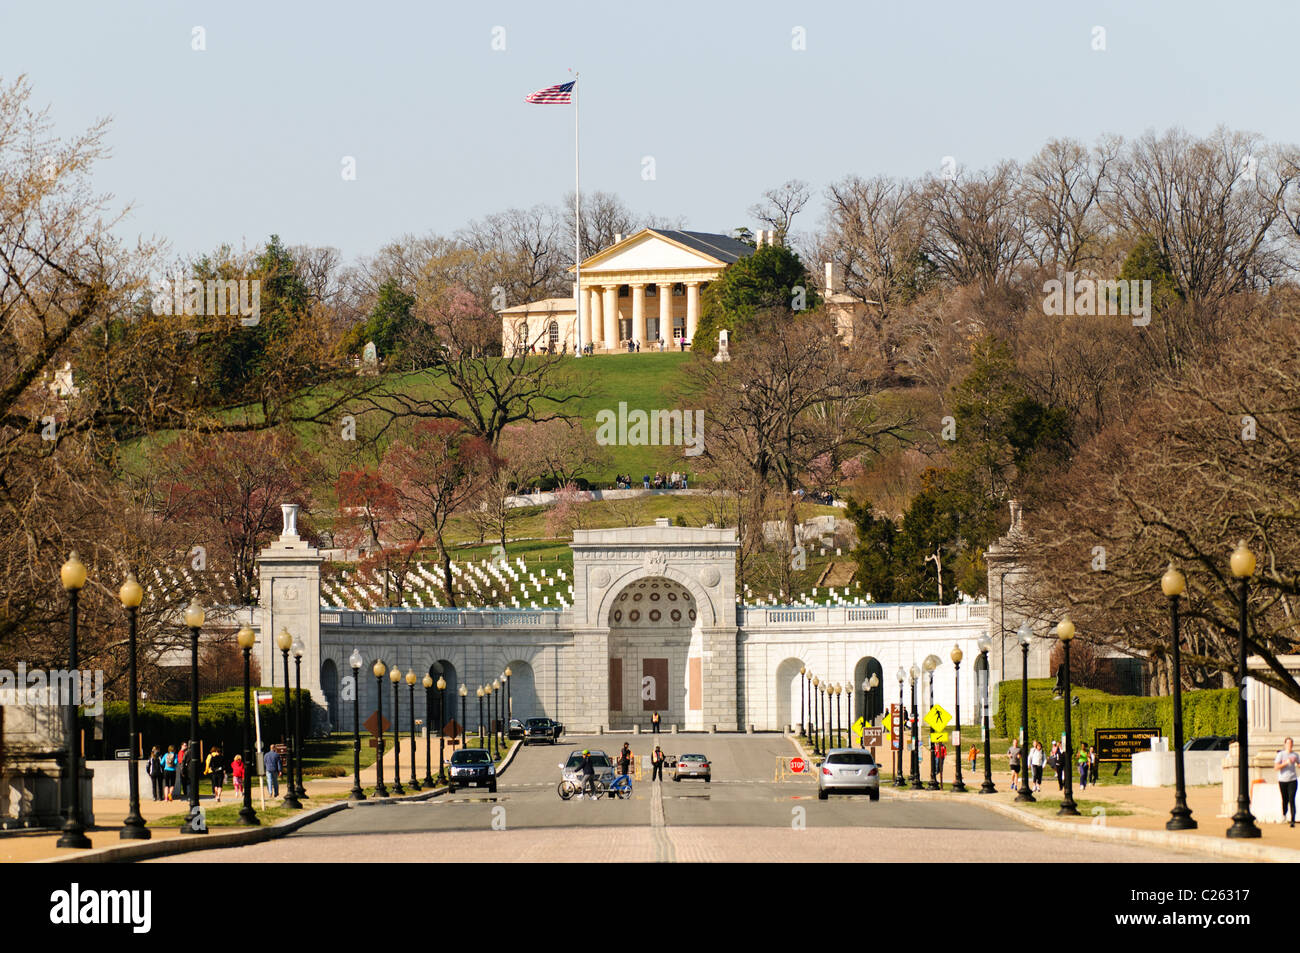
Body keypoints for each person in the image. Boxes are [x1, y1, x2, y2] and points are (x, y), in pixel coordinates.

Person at [1275, 737, 1299, 826]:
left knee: (1291, 798)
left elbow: (1299, 764)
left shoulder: (1295, 755)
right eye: (1288, 743)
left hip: (1292, 779)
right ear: (1285, 744)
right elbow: (1276, 767)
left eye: (1291, 743)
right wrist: (1285, 763)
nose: (1290, 745)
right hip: (1283, 780)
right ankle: (1284, 814)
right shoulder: (1281, 755)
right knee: (1285, 799)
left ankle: (1292, 819)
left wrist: (1297, 763)